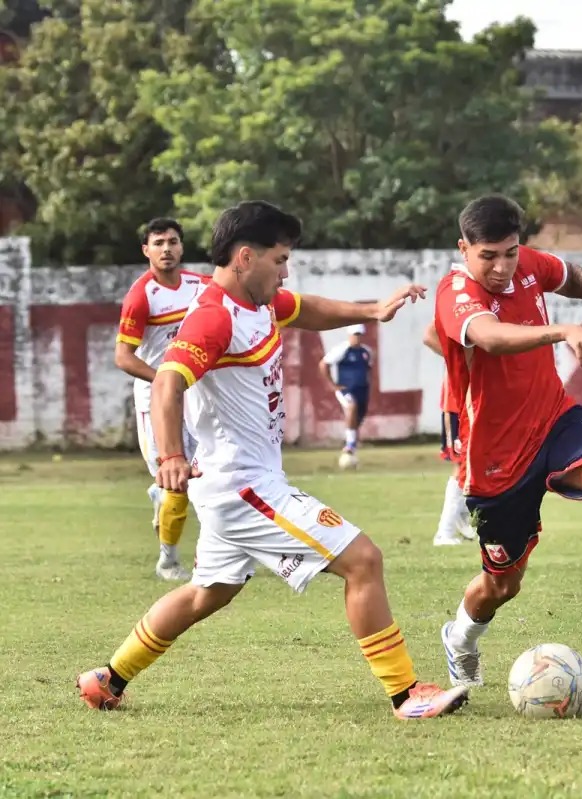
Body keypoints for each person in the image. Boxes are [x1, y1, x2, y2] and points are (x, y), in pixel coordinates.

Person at [77, 201, 468, 720]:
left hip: (240, 483)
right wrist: (170, 455)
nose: (286, 272)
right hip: (243, 487)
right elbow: (167, 382)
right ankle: (406, 694)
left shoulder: (258, 302)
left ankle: (108, 678)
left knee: (205, 595)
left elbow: (303, 308)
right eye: (280, 260)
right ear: (245, 257)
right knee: (364, 560)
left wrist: (371, 311)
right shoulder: (214, 317)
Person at [433, 194, 582, 688]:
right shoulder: (454, 291)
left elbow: (566, 276)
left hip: (554, 419)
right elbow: (490, 336)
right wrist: (561, 329)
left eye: (509, 253)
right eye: (487, 255)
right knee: (502, 585)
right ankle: (460, 640)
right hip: (495, 459)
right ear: (464, 249)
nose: (500, 267)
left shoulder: (527, 265)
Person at [115, 218, 208, 581]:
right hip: (156, 400)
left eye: (172, 241)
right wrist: (167, 380)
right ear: (146, 251)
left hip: (198, 396)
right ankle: (168, 561)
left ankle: (222, 554)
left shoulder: (202, 287)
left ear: (182, 247)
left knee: (210, 473)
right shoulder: (141, 296)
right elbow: (123, 357)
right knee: (176, 483)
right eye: (158, 243)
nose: (166, 248)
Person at [421, 323, 476, 546]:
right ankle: (444, 532)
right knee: (461, 465)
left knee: (476, 464)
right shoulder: (457, 301)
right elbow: (428, 336)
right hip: (457, 402)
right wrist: (459, 361)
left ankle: (461, 519)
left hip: (478, 399)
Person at [319, 323, 374, 466]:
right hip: (345, 389)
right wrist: (332, 385)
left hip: (362, 389)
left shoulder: (366, 352)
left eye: (359, 335)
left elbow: (369, 369)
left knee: (358, 419)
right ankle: (349, 444)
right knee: (351, 406)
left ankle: (352, 448)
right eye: (355, 334)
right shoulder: (342, 350)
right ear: (350, 335)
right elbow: (324, 364)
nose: (357, 338)